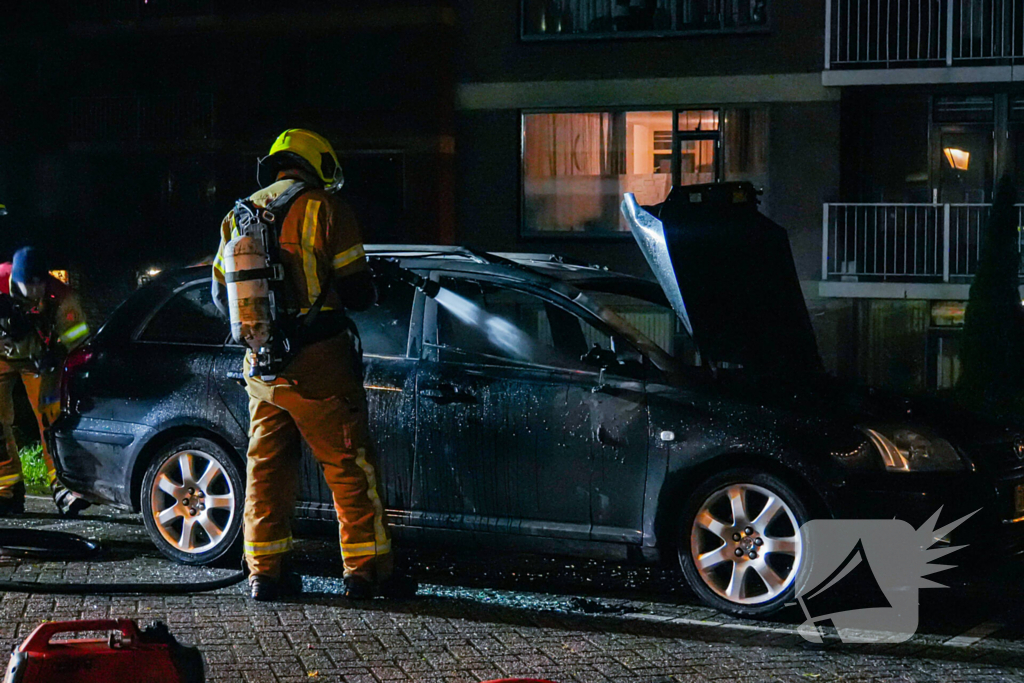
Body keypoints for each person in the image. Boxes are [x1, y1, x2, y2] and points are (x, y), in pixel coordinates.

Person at [211, 128, 413, 601]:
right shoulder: (326, 209)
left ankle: (264, 573)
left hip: (262, 368)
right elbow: (359, 292)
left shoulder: (235, 217)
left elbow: (222, 296)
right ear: (317, 163)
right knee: (349, 465)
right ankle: (367, 572)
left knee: (265, 468)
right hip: (320, 367)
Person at [0, 247, 91, 516]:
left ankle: (64, 486)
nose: (34, 291)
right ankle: (7, 490)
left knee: (52, 419)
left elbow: (79, 339)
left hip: (40, 360)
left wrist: (61, 357)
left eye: (39, 283)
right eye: (27, 284)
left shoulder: (61, 296)